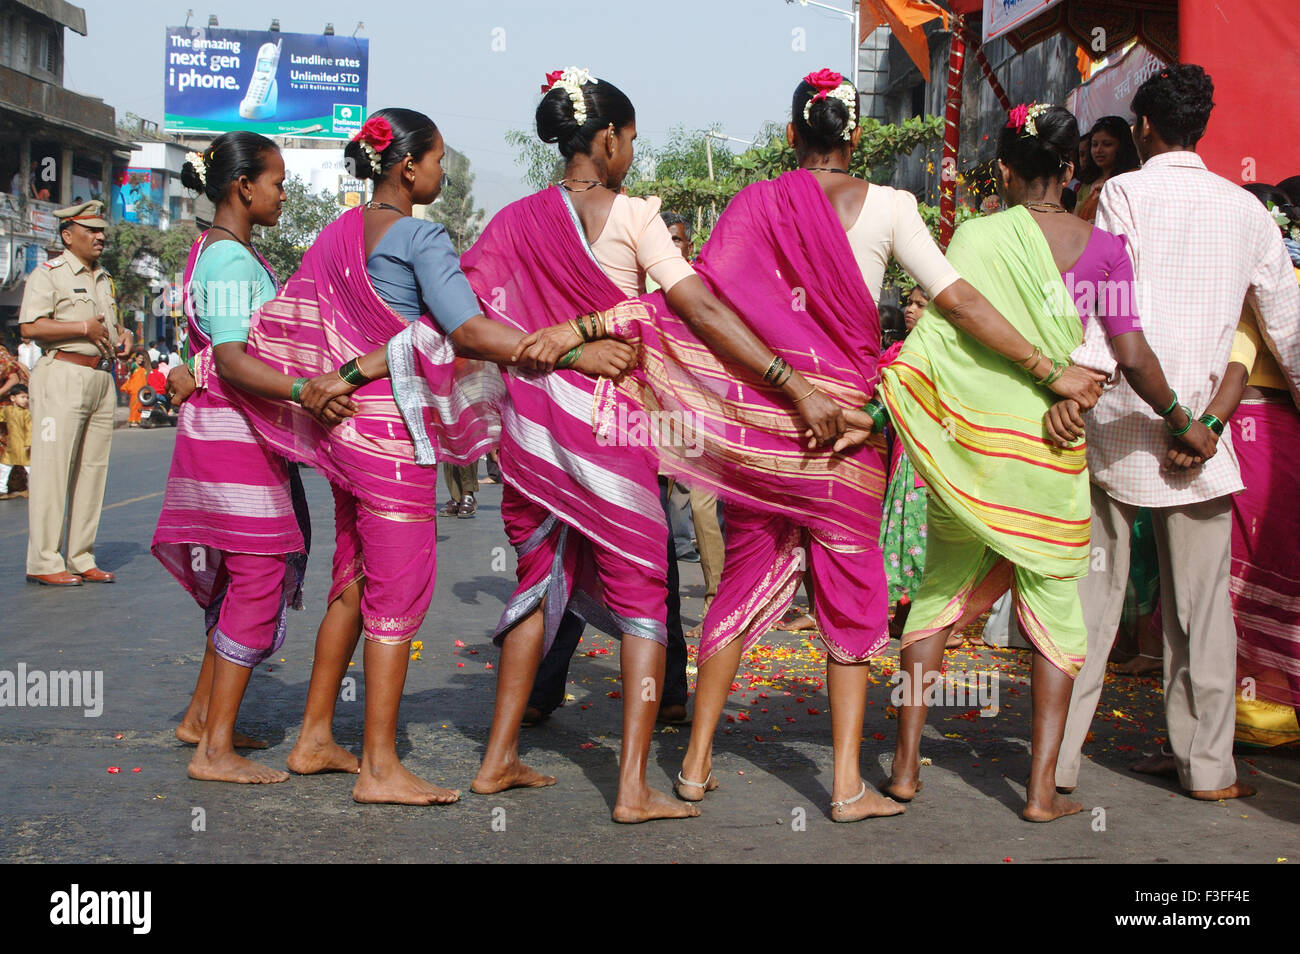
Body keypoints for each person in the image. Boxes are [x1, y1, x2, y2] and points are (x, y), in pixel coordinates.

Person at [438, 68, 840, 822]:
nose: (632, 154)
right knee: (645, 602)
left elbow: (465, 325)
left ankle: (496, 760)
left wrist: (553, 349)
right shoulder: (634, 218)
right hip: (612, 430)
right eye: (630, 140)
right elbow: (696, 306)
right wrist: (789, 380)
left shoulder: (512, 221)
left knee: (536, 586)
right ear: (607, 139)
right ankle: (631, 787)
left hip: (532, 439)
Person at [232, 108, 631, 803]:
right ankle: (380, 767)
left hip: (343, 433)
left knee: (352, 582)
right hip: (393, 440)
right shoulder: (420, 237)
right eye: (440, 160)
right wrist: (575, 351)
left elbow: (290, 327)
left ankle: (316, 735)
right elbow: (469, 330)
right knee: (398, 595)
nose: (444, 173)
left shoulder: (332, 237)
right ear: (408, 166)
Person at [879, 102, 1190, 822]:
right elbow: (1129, 353)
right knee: (1057, 615)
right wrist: (1179, 418)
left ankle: (901, 768)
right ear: (1071, 165)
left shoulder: (976, 235)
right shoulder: (1105, 249)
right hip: (1050, 453)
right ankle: (1042, 792)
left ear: (1010, 171)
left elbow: (951, 329)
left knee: (935, 602)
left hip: (974, 453)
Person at [1055, 65, 1300, 801]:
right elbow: (1285, 327)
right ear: (1200, 129)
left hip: (1119, 419)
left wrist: (1084, 376)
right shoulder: (1249, 211)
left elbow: (1103, 299)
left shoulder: (1123, 192)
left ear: (1143, 129)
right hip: (1205, 435)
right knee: (1202, 611)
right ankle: (1209, 769)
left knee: (1091, 602)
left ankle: (1058, 761)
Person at [154, 132, 334, 783]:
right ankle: (215, 751)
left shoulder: (222, 251)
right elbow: (232, 358)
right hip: (234, 438)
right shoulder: (230, 261)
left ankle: (202, 719)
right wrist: (303, 389)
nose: (284, 193)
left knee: (238, 579)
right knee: (258, 577)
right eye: (278, 181)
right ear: (243, 187)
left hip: (228, 433)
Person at [1166, 184, 1300, 746]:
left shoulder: (1249, 289)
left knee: (1231, 575)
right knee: (1280, 567)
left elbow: (1238, 364)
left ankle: (1249, 715)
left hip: (1249, 433)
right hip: (1277, 436)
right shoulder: (1282, 286)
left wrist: (1207, 429)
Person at [18, 199, 132, 586]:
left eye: (102, 230)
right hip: (62, 374)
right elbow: (30, 328)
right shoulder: (47, 274)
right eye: (92, 230)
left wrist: (125, 336)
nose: (100, 237)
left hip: (100, 379)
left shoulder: (104, 277)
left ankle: (81, 555)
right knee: (53, 469)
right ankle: (44, 559)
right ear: (69, 235)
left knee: (92, 471)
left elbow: (108, 326)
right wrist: (83, 329)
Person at [1074, 115, 1140, 222]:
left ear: (1122, 147)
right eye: (1094, 145)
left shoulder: (1130, 180)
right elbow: (1076, 220)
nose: (1098, 150)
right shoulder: (1087, 183)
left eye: (1107, 144)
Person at [0, 384, 31, 500]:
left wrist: (28, 443)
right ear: (13, 398)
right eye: (22, 397)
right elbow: (1, 416)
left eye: (27, 397)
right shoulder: (7, 410)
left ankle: (33, 489)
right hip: (11, 446)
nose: (25, 400)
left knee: (30, 469)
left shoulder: (27, 413)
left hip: (23, 447)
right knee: (4, 467)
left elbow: (29, 429)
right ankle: (2, 490)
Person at [121, 353, 148, 427]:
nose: (141, 360)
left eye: (142, 358)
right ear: (136, 358)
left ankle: (137, 420)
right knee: (134, 405)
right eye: (139, 358)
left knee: (140, 406)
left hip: (141, 390)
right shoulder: (134, 365)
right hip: (135, 389)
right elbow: (129, 370)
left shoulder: (141, 368)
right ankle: (132, 420)